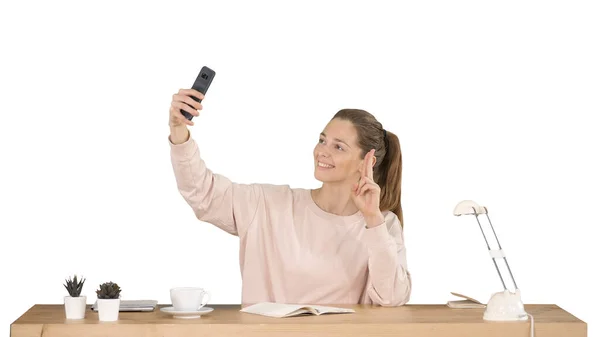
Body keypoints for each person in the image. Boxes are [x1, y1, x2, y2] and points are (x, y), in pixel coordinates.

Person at [168, 88, 411, 306]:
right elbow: (202, 193)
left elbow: (391, 298)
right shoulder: (268, 205)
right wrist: (179, 132)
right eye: (322, 140)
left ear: (366, 162)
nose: (322, 152)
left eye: (338, 147)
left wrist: (372, 219)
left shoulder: (382, 225)